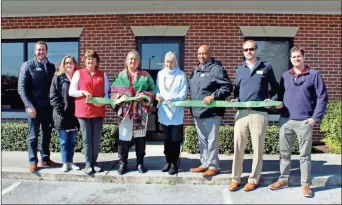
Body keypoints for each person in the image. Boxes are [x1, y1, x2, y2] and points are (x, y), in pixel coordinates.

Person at [268, 46, 328, 197]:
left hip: (304, 122)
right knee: (284, 153)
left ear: (303, 57)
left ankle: (305, 185)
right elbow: (279, 96)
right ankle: (283, 179)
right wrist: (273, 103)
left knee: (305, 155)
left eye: (298, 56)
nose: (296, 59)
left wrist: (315, 117)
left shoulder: (314, 75)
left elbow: (322, 97)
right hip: (286, 120)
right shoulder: (285, 76)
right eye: (293, 57)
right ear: (290, 59)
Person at [228, 40, 280, 192]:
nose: (248, 52)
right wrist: (236, 100)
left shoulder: (266, 67)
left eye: (251, 49)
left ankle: (253, 179)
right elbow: (237, 91)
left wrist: (272, 101)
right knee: (238, 147)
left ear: (256, 50)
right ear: (243, 51)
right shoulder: (239, 69)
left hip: (259, 113)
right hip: (242, 113)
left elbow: (276, 89)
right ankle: (235, 179)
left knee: (258, 148)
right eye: (246, 49)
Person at [189, 45, 233, 177]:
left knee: (212, 140)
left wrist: (213, 96)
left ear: (210, 54)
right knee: (202, 140)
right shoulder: (195, 70)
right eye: (199, 54)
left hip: (212, 112)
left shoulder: (216, 69)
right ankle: (204, 164)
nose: (201, 56)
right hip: (197, 112)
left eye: (204, 54)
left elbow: (227, 87)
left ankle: (214, 166)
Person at [110, 50, 156, 175]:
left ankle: (140, 163)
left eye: (135, 59)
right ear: (126, 61)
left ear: (138, 61)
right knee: (124, 137)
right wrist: (120, 95)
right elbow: (112, 91)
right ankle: (123, 163)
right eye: (130, 59)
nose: (133, 61)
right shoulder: (120, 75)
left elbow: (153, 90)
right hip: (125, 111)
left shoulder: (145, 75)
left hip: (140, 110)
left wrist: (145, 95)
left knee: (140, 136)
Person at [18, 41, 60, 172]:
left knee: (47, 134)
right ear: (35, 51)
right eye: (38, 50)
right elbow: (21, 88)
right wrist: (29, 105)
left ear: (46, 51)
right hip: (34, 108)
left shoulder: (51, 67)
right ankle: (33, 161)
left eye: (43, 50)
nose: (41, 52)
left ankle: (45, 158)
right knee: (33, 135)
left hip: (48, 108)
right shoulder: (28, 65)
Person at [69, 50, 110, 175]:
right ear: (84, 61)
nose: (90, 61)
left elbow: (107, 92)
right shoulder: (78, 73)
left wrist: (104, 102)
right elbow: (71, 91)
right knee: (87, 139)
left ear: (96, 61)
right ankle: (88, 164)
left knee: (96, 139)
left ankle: (94, 163)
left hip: (98, 110)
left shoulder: (103, 75)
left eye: (92, 58)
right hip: (83, 111)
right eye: (88, 58)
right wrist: (83, 92)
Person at [156, 51, 188, 175]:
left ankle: (174, 163)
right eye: (167, 61)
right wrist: (157, 95)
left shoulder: (181, 75)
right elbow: (157, 88)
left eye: (172, 61)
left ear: (176, 62)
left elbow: (183, 93)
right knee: (166, 139)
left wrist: (174, 99)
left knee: (175, 139)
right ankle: (167, 161)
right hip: (164, 111)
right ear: (165, 62)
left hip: (176, 112)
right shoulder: (160, 74)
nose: (169, 64)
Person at [50, 56, 81, 172]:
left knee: (72, 141)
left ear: (75, 64)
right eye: (66, 63)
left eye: (71, 63)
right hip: (62, 115)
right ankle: (65, 163)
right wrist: (60, 111)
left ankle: (71, 162)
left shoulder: (77, 77)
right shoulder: (58, 77)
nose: (69, 65)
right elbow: (53, 96)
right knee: (63, 141)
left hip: (74, 115)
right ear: (63, 64)